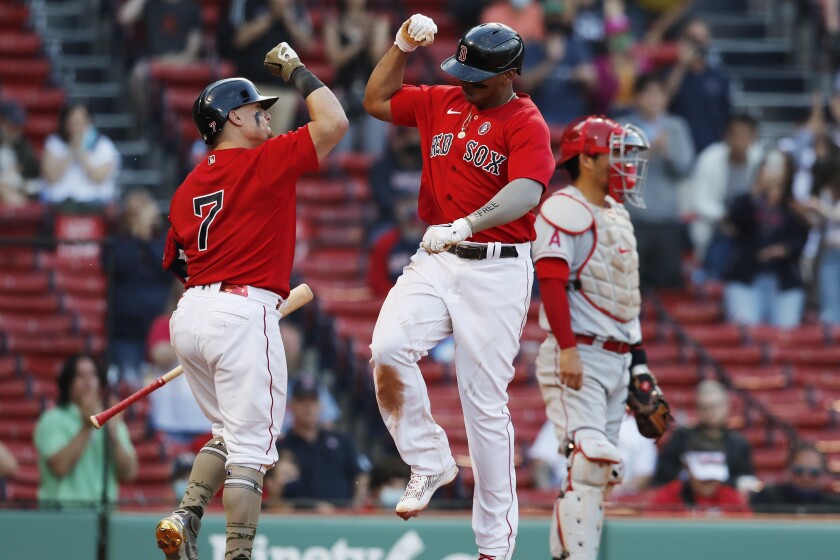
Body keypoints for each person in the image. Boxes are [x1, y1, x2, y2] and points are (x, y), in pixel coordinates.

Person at [363, 18, 555, 560]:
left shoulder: (525, 119)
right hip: (437, 258)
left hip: (497, 268)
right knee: (387, 349)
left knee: (484, 407)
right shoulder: (441, 100)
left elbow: (527, 190)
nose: (467, 82)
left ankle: (494, 548)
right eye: (462, 70)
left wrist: (469, 223)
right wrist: (400, 46)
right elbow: (376, 99)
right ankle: (429, 460)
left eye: (479, 75)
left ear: (511, 74)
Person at [155, 41, 347, 560]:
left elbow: (174, 261)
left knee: (228, 432)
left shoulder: (186, 186)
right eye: (258, 109)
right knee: (251, 454)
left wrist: (215, 294)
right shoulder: (264, 160)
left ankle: (186, 512)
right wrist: (297, 70)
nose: (266, 115)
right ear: (234, 117)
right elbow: (333, 122)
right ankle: (238, 555)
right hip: (242, 311)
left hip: (191, 314)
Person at [531, 116, 668, 560]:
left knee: (598, 473)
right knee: (591, 462)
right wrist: (567, 350)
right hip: (580, 353)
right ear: (587, 159)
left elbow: (625, 302)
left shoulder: (617, 213)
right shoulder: (563, 207)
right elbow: (550, 281)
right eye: (616, 153)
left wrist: (641, 364)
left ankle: (571, 554)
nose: (626, 163)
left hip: (616, 357)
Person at [620, 74, 695, 289]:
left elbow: (685, 169)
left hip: (667, 219)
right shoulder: (623, 126)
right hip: (633, 218)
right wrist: (648, 152)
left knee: (669, 284)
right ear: (637, 97)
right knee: (631, 283)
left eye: (659, 94)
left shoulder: (677, 126)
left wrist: (668, 151)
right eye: (648, 93)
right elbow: (616, 169)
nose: (653, 99)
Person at [721, 150, 811, 327]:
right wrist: (756, 193)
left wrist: (784, 249)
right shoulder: (745, 201)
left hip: (783, 280)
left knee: (785, 330)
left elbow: (801, 241)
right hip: (746, 277)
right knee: (745, 328)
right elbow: (734, 222)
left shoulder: (795, 208)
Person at [33, 353, 138, 503]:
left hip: (103, 516)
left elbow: (129, 472)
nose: (88, 381)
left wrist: (113, 433)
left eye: (93, 375)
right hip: (61, 517)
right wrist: (87, 425)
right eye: (80, 376)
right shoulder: (52, 419)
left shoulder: (111, 420)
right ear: (68, 383)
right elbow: (60, 467)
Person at [275, 374, 367, 510]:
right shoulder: (280, 447)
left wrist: (357, 504)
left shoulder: (342, 441)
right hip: (298, 519)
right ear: (291, 405)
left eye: (312, 400)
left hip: (342, 517)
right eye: (301, 400)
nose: (308, 406)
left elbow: (361, 475)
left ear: (321, 405)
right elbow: (274, 493)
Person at [688, 113, 764, 277]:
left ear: (754, 137)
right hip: (717, 227)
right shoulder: (709, 158)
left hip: (750, 229)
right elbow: (699, 200)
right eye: (736, 135)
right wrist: (724, 216)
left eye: (746, 135)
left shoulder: (760, 159)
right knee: (715, 269)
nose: (741, 140)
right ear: (726, 136)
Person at [222, 0, 314, 134]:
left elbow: (307, 44)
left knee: (276, 145)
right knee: (247, 142)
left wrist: (287, 17)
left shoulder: (296, 7)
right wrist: (270, 16)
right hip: (251, 87)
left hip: (284, 90)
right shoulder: (246, 3)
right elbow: (238, 39)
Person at [110, 188, 172, 385]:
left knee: (160, 389)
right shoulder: (117, 242)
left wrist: (146, 238)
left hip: (160, 332)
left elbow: (166, 267)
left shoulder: (164, 241)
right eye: (135, 213)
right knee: (131, 388)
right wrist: (137, 236)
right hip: (127, 333)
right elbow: (121, 265)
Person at [654, 380, 756, 490]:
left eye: (715, 406)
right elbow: (664, 476)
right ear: (697, 408)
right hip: (688, 501)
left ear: (727, 406)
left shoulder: (738, 443)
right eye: (704, 407)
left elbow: (746, 481)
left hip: (726, 502)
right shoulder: (681, 438)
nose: (710, 412)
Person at [117, 0, 203, 129]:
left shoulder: (190, 7)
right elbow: (124, 17)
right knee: (138, 74)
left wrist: (181, 59)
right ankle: (145, 126)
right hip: (154, 62)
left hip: (182, 62)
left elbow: (195, 43)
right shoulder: (151, 4)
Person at [323, 0, 390, 156]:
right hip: (343, 92)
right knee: (342, 152)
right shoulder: (334, 23)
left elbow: (378, 58)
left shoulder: (379, 22)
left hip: (373, 93)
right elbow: (334, 58)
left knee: (374, 152)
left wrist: (370, 35)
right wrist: (361, 41)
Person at [518, 7, 595, 126]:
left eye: (558, 17)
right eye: (551, 17)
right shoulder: (533, 48)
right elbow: (525, 84)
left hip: (573, 116)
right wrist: (551, 61)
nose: (555, 21)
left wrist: (581, 75)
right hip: (541, 117)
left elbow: (591, 81)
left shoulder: (576, 47)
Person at [665, 19, 731, 153]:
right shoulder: (670, 73)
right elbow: (664, 100)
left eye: (701, 40)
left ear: (708, 41)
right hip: (678, 148)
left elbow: (727, 115)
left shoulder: (719, 77)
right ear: (682, 40)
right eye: (692, 39)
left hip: (710, 147)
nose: (697, 45)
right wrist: (681, 65)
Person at [41, 103, 121, 209]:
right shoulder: (53, 143)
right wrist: (70, 150)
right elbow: (52, 177)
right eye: (72, 123)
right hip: (60, 205)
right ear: (64, 123)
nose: (76, 127)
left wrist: (81, 151)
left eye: (80, 122)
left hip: (95, 204)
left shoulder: (104, 145)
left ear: (89, 122)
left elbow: (98, 178)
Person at [648, 445, 750, 513]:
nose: (709, 482)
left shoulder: (732, 500)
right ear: (687, 469)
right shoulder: (667, 498)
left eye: (713, 477)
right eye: (704, 478)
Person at [751, 442, 840, 513]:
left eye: (814, 473)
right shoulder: (766, 499)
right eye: (799, 471)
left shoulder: (834, 506)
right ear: (787, 471)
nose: (806, 478)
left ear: (823, 476)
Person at [366, 190, 424, 297]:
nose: (412, 208)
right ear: (397, 208)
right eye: (407, 202)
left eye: (416, 202)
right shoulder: (383, 244)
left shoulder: (437, 242)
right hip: (393, 304)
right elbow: (377, 283)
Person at [368, 125, 423, 227]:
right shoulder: (382, 167)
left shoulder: (431, 166)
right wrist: (401, 208)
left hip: (425, 222)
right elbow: (382, 198)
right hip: (392, 222)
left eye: (415, 134)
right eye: (405, 135)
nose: (410, 139)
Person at [0, 100, 40, 205]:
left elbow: (32, 180)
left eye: (19, 126)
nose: (16, 131)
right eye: (12, 126)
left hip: (19, 194)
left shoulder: (25, 147)